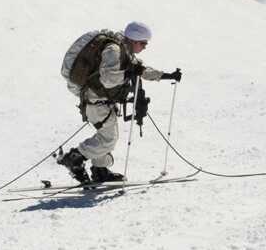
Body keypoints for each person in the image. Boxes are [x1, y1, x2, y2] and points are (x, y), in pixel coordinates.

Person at [59, 21, 183, 184]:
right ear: (134, 40)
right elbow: (108, 79)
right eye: (143, 43)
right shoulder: (114, 50)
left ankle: (100, 170)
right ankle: (74, 158)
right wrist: (129, 72)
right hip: (95, 101)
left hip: (102, 102)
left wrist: (167, 75)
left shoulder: (125, 52)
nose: (145, 47)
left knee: (107, 136)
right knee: (108, 139)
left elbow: (142, 70)